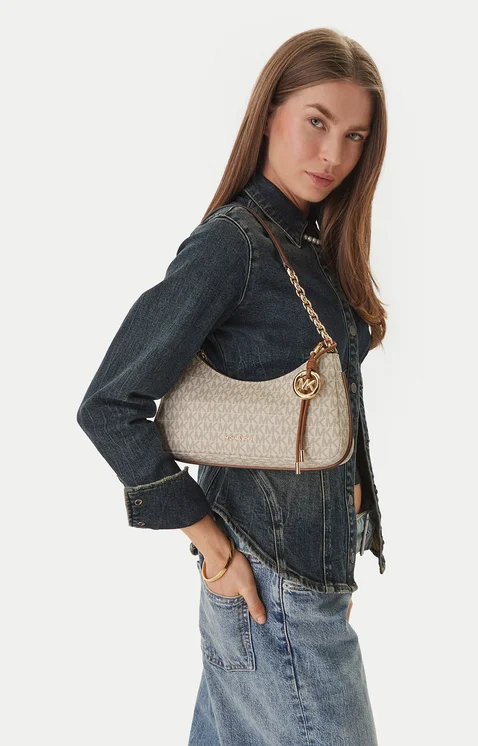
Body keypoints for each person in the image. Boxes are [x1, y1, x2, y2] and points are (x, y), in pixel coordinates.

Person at [77, 26, 388, 746]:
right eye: (317, 122)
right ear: (270, 113)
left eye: (354, 137)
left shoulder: (309, 245)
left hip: (302, 582)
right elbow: (110, 404)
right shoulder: (235, 244)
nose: (333, 155)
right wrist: (213, 549)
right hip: (272, 586)